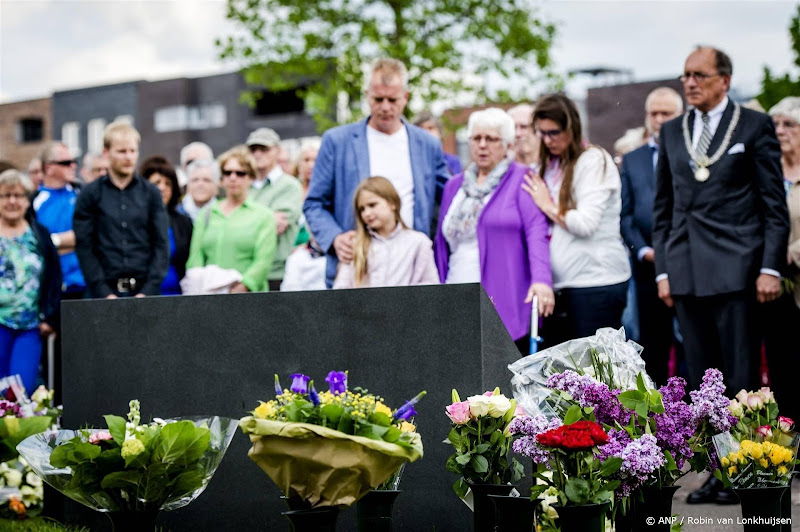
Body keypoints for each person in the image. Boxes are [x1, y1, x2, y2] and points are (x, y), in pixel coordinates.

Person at [652, 47, 790, 505]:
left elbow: (773, 204)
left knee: (740, 378)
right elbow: (663, 208)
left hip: (739, 271)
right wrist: (664, 270)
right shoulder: (672, 130)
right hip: (686, 272)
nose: (690, 82)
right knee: (702, 383)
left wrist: (769, 267)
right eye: (685, 75)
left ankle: (747, 470)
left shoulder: (753, 125)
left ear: (724, 80)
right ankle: (718, 470)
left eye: (700, 75)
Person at [304, 57, 448, 287]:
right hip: (357, 272)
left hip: (413, 274)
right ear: (366, 96)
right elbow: (314, 203)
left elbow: (448, 197)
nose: (385, 107)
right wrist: (335, 238)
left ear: (406, 97)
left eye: (393, 99)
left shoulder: (427, 144)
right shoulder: (337, 141)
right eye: (378, 99)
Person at [434, 108, 553, 354]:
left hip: (504, 292)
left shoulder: (523, 178)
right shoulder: (454, 186)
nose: (482, 145)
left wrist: (541, 280)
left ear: (508, 144)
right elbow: (441, 243)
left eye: (491, 139)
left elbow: (536, 231)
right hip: (456, 288)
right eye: (476, 138)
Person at [523, 94, 631, 347]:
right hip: (561, 286)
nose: (548, 140)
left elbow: (585, 223)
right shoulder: (549, 165)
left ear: (571, 127)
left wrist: (547, 205)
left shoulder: (593, 160)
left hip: (595, 283)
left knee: (594, 369)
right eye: (542, 133)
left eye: (554, 132)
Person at [620, 87, 684, 387]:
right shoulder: (633, 159)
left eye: (666, 113)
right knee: (653, 348)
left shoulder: (691, 156)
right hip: (647, 268)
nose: (659, 119)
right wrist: (643, 249)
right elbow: (626, 214)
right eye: (654, 113)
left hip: (688, 266)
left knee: (691, 347)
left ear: (680, 115)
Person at [73, 122, 170, 298]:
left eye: (133, 151)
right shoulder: (89, 194)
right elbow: (84, 246)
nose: (128, 157)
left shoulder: (151, 193)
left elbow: (161, 244)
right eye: (122, 151)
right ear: (106, 153)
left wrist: (148, 291)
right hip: (102, 293)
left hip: (145, 292)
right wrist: (103, 292)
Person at [0, 170, 61, 393]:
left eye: (18, 195)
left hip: (30, 325)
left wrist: (50, 317)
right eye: (5, 195)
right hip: (0, 322)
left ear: (27, 200)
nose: (12, 201)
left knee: (20, 391)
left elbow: (54, 277)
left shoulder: (39, 234)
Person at [186, 146, 277, 293]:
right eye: (228, 173)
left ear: (251, 178)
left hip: (250, 298)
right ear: (221, 179)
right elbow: (195, 258)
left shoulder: (263, 216)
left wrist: (242, 287)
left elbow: (263, 262)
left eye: (240, 173)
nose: (233, 178)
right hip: (210, 296)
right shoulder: (207, 213)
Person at [762, 97, 800, 426]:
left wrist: (792, 252)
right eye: (775, 124)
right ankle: (788, 440)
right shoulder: (766, 171)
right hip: (771, 285)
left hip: (795, 276)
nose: (780, 131)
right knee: (781, 367)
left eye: (789, 124)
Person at [334, 177, 438, 288]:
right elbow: (341, 290)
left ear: (392, 203)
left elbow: (431, 285)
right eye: (362, 209)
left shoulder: (418, 242)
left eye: (372, 205)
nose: (367, 213)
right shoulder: (355, 244)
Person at [246, 128, 303, 291]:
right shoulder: (243, 184)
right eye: (253, 149)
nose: (258, 154)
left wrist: (241, 223)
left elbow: (276, 226)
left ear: (277, 151)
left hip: (277, 273)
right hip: (244, 271)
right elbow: (268, 224)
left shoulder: (290, 186)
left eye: (264, 149)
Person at [32, 141, 86, 300]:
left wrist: (54, 241)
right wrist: (63, 241)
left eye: (74, 161)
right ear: (49, 168)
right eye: (66, 163)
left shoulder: (82, 194)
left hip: (85, 284)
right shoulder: (34, 202)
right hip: (52, 288)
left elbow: (89, 235)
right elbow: (37, 245)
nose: (73, 166)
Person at [139, 156, 193, 295]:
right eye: (156, 183)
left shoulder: (184, 222)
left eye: (168, 183)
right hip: (142, 295)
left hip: (177, 295)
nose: (162, 188)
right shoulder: (133, 221)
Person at [412, 110, 463, 176]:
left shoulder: (452, 161)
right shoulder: (412, 161)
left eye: (430, 128)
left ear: (440, 132)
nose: (426, 132)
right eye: (421, 129)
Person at [507, 103, 540, 169]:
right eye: (513, 127)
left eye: (524, 127)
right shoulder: (503, 167)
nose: (517, 134)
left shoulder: (552, 168)